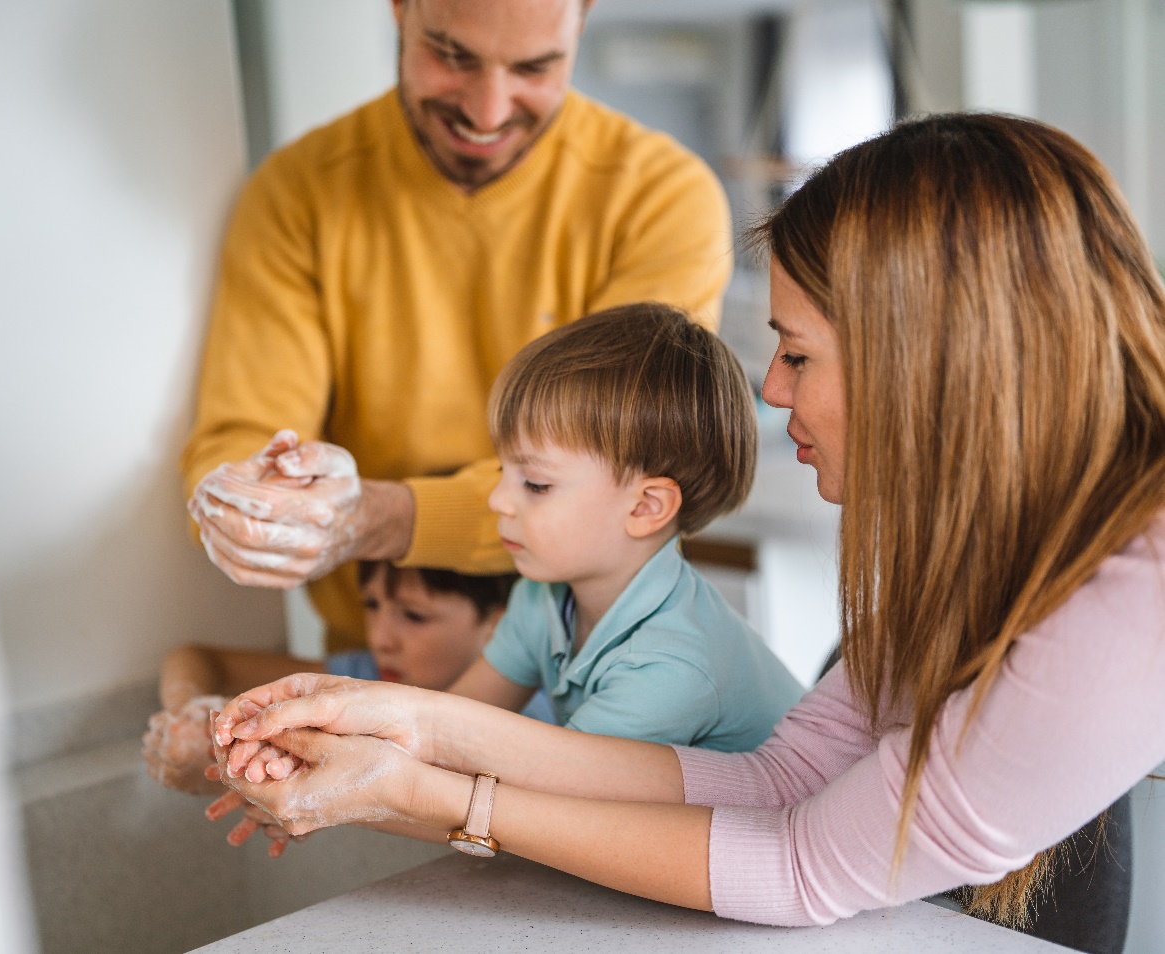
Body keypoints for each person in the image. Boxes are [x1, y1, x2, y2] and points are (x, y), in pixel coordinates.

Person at [207, 113, 1165, 945]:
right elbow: (784, 778)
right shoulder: (995, 553)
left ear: (927, 364)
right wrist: (406, 721)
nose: (773, 388)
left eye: (795, 353)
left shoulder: (1131, 595)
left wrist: (420, 791)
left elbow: (798, 865)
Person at [182, 0, 733, 657]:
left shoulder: (661, 198)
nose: (488, 112)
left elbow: (615, 480)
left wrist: (373, 519)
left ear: (581, 24)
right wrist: (257, 500)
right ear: (399, 10)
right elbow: (239, 434)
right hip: (382, 659)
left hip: (591, 659)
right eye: (452, 56)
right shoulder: (296, 193)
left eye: (535, 66)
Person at [445, 302, 802, 747]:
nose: (498, 500)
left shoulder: (669, 666)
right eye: (503, 472)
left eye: (535, 484)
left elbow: (542, 799)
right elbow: (451, 724)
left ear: (646, 508)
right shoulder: (543, 598)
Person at [141, 560, 538, 799]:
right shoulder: (365, 680)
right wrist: (191, 719)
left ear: (501, 626)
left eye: (414, 616)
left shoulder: (537, 719)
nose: (381, 639)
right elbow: (193, 659)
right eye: (372, 605)